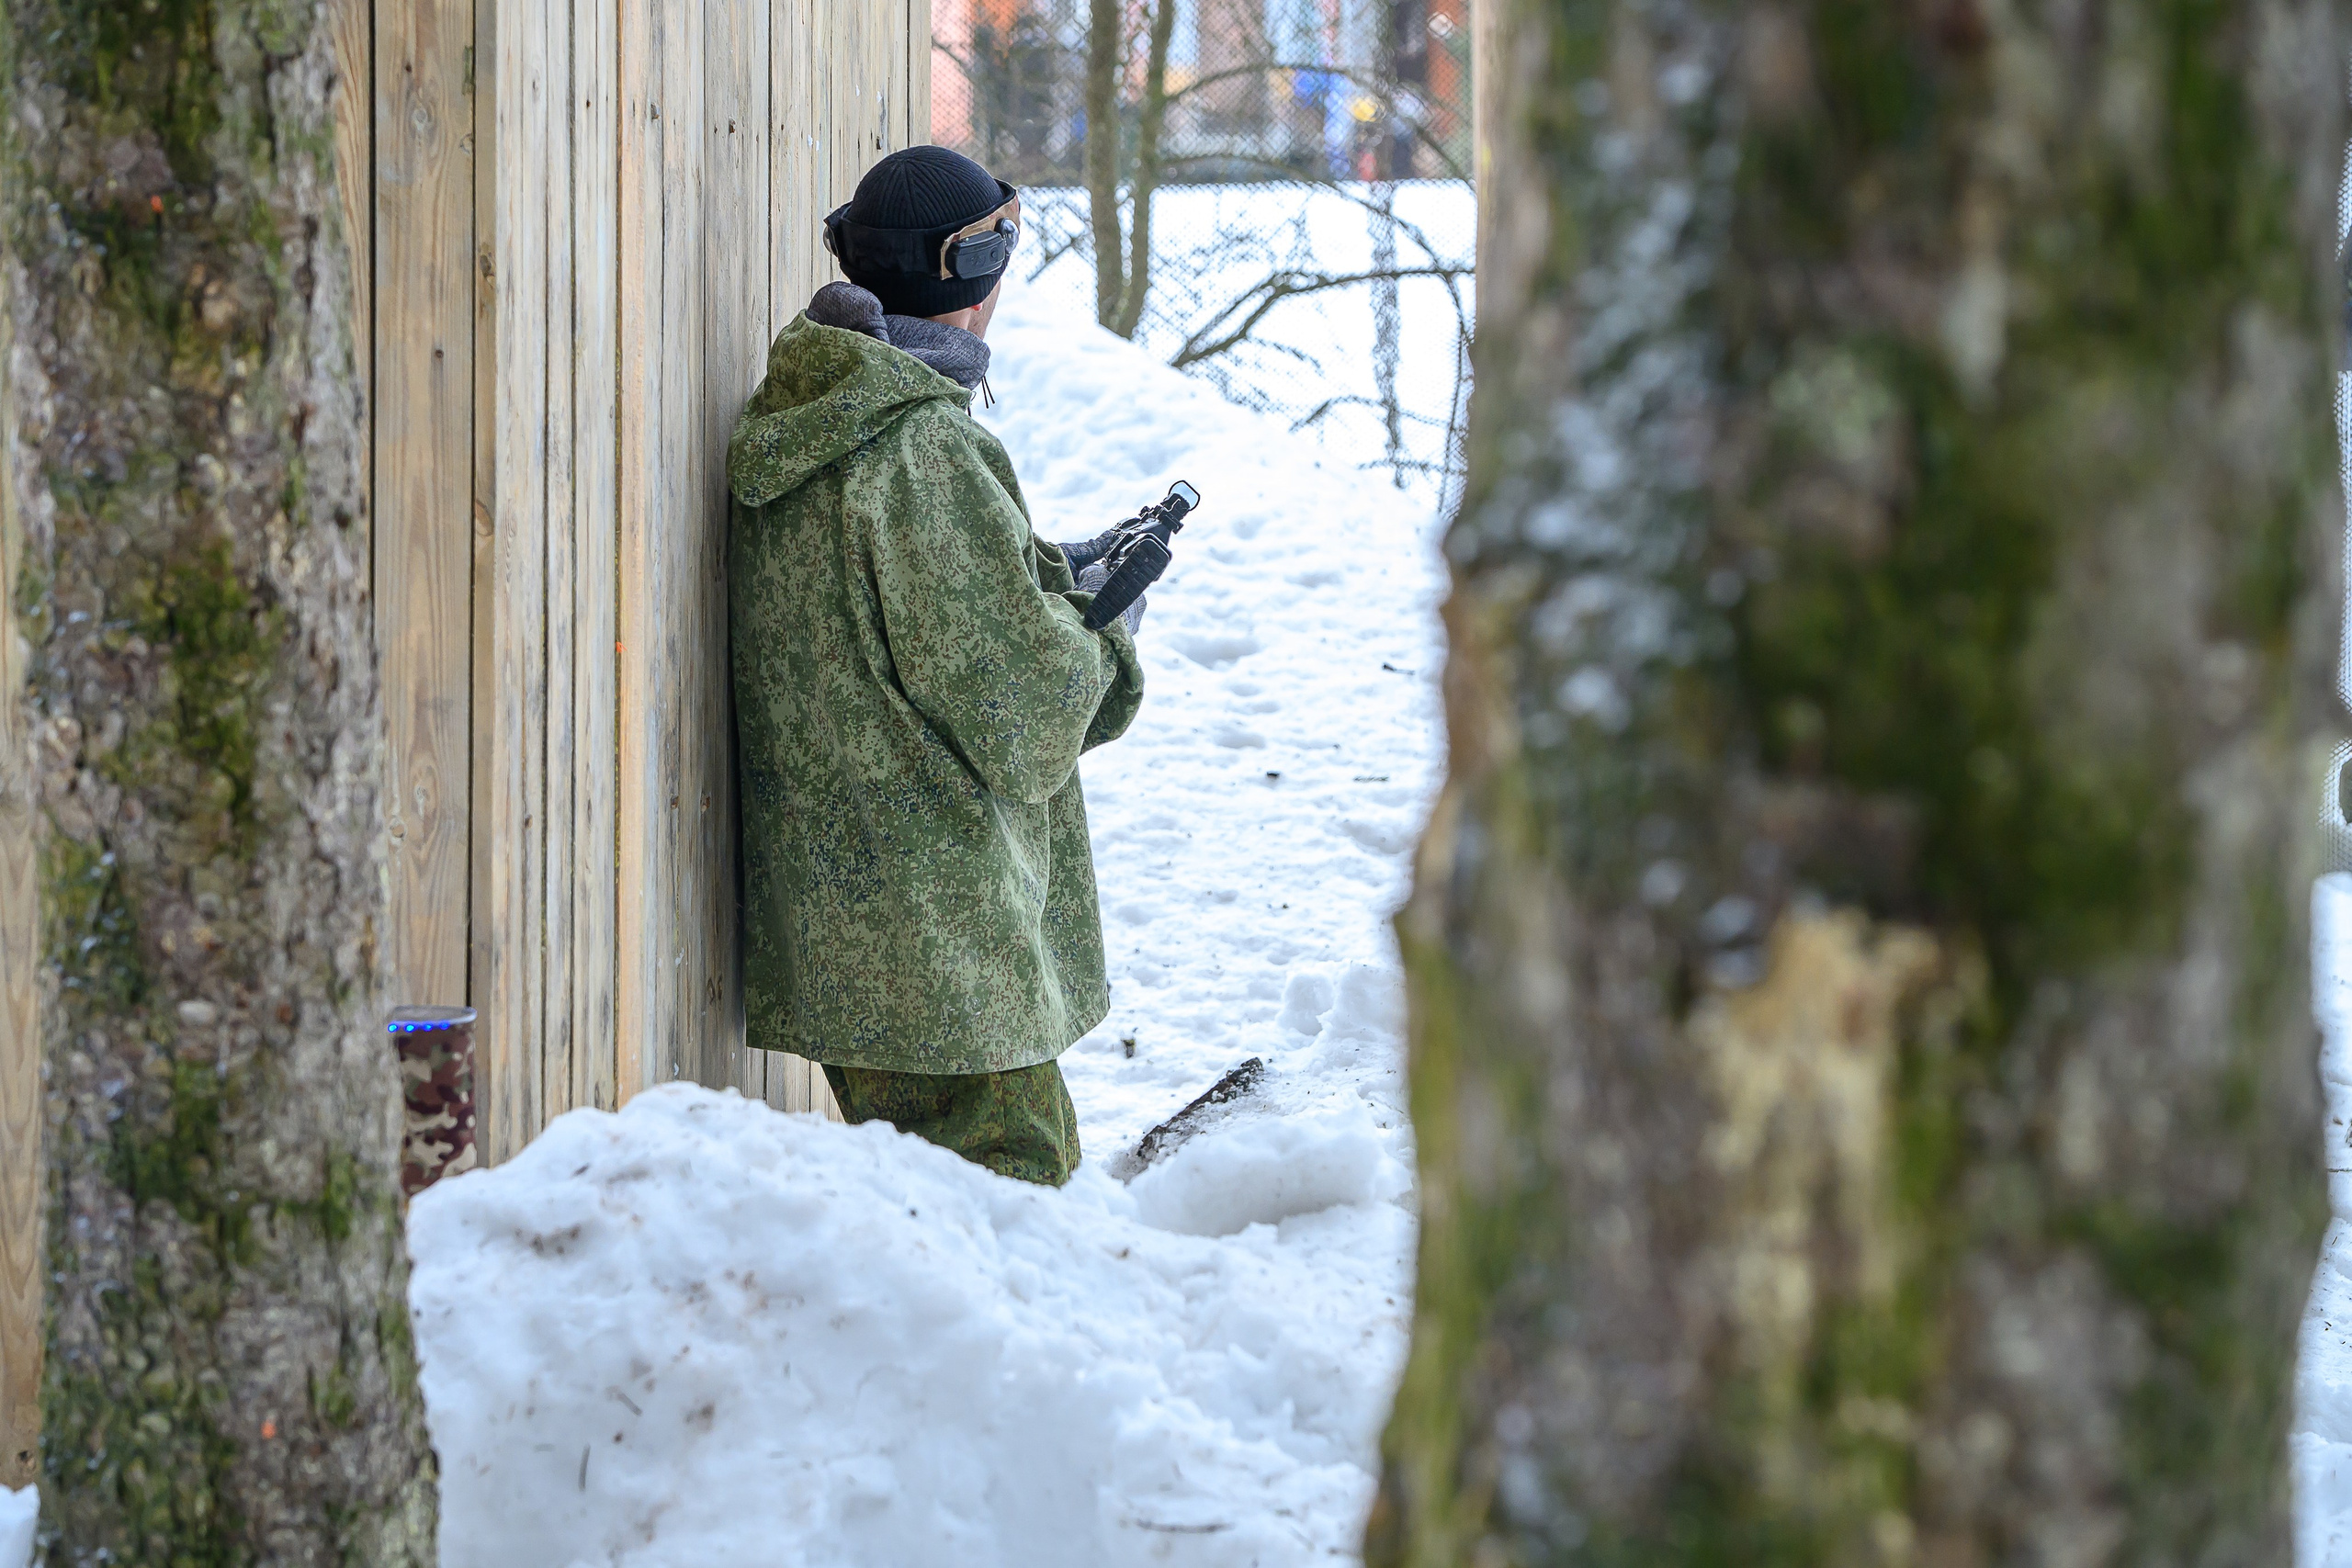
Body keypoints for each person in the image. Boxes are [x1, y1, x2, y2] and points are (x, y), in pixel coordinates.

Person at [727, 145, 1165, 1186]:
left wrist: (1050, 572)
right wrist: (1107, 630)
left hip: (851, 925)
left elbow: (899, 619)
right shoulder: (924, 450)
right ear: (978, 283)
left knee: (931, 1223)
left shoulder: (812, 415)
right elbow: (1023, 716)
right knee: (1016, 1191)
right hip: (943, 946)